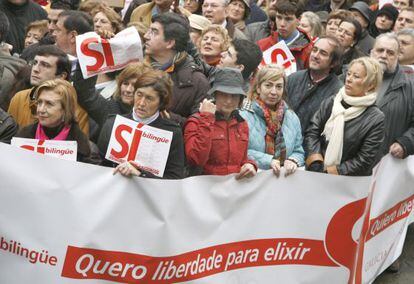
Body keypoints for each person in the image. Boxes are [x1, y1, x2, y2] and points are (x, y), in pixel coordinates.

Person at [98, 69, 185, 179]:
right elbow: (99, 166)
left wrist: (140, 174)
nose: (141, 103)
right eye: (139, 95)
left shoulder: (172, 133)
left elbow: (174, 178)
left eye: (149, 98)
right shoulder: (112, 123)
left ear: (161, 102)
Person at [305, 57, 385, 176]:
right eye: (348, 74)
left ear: (370, 86)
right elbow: (312, 131)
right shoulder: (332, 101)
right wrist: (316, 162)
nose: (348, 79)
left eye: (356, 76)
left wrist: (332, 171)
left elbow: (365, 159)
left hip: (347, 185)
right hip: (316, 173)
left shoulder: (375, 118)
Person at [184, 67, 257, 178]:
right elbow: (196, 159)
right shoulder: (197, 121)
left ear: (240, 99)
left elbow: (241, 160)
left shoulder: (242, 124)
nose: (229, 101)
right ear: (215, 95)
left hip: (234, 189)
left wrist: (250, 165)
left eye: (234, 96)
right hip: (203, 190)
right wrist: (207, 119)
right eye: (224, 94)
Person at [144, 13, 210, 125]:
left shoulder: (197, 82)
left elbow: (199, 129)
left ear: (170, 43)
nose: (146, 36)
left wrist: (167, 117)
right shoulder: (135, 67)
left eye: (154, 32)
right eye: (148, 30)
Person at [8, 45, 89, 134]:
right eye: (35, 63)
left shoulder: (76, 110)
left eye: (45, 65)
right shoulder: (19, 98)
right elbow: (9, 136)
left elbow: (79, 145)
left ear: (62, 76)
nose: (35, 69)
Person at [240, 65, 304, 176]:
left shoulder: (292, 117)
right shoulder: (244, 115)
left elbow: (298, 150)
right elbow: (241, 152)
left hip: (283, 182)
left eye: (279, 87)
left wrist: (293, 160)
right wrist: (269, 161)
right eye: (268, 85)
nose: (274, 92)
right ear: (258, 88)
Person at [15, 79, 98, 163]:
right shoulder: (22, 137)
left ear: (65, 109)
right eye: (39, 102)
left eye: (49, 104)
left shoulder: (87, 151)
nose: (41, 109)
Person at [286, 36, 343, 135]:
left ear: (333, 63)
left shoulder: (338, 92)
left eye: (323, 53)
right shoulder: (294, 78)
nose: (315, 56)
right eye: (314, 50)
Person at [370, 33, 414, 159]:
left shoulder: (409, 87)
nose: (384, 55)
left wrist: (405, 143)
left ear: (397, 56)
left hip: (383, 160)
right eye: (380, 50)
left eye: (390, 53)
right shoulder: (349, 76)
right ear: (372, 52)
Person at [257, 0, 313, 70]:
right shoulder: (262, 44)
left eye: (288, 19)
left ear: (299, 20)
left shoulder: (309, 50)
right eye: (279, 17)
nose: (282, 24)